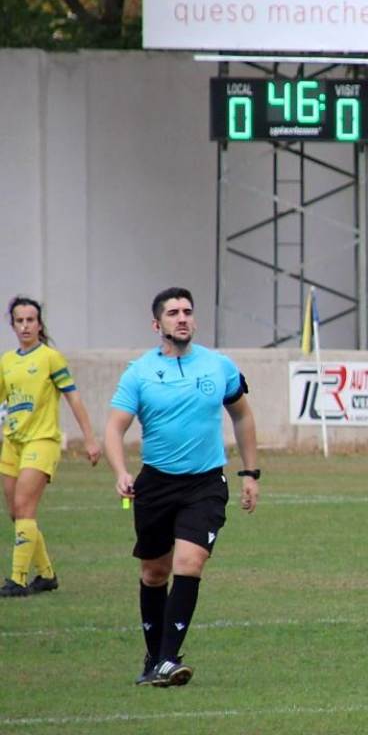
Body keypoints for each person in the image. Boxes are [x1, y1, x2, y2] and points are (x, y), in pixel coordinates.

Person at [103, 287, 260, 687]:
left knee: (189, 564)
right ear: (158, 325)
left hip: (205, 483)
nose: (182, 318)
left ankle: (169, 660)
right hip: (155, 483)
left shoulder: (218, 366)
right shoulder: (138, 372)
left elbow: (241, 416)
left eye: (188, 311)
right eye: (173, 313)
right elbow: (114, 428)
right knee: (154, 572)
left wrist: (250, 473)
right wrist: (121, 471)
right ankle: (154, 657)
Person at [0, 296, 101, 597]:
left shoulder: (50, 358)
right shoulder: (6, 361)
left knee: (24, 508)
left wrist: (91, 438)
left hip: (41, 441)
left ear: (39, 324)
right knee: (16, 514)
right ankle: (46, 575)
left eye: (31, 320)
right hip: (12, 444)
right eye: (20, 320)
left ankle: (17, 580)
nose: (25, 325)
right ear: (13, 325)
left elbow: (74, 397)